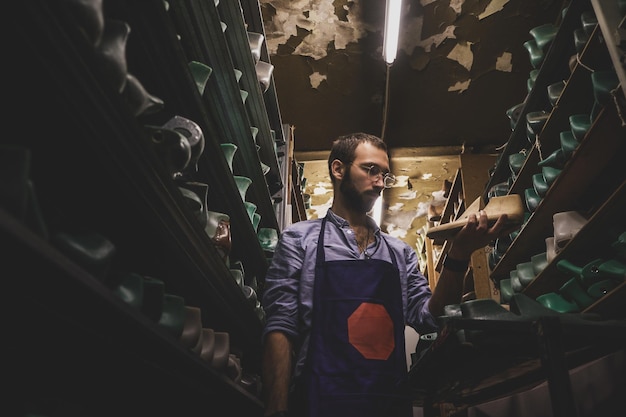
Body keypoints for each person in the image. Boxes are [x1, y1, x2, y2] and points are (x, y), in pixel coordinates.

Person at [261, 132, 511, 417]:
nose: (380, 182)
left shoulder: (399, 253)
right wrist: (277, 407)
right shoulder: (299, 240)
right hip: (319, 402)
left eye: (385, 175)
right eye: (370, 170)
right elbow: (281, 326)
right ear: (338, 169)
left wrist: (458, 256)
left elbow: (430, 319)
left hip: (388, 404)